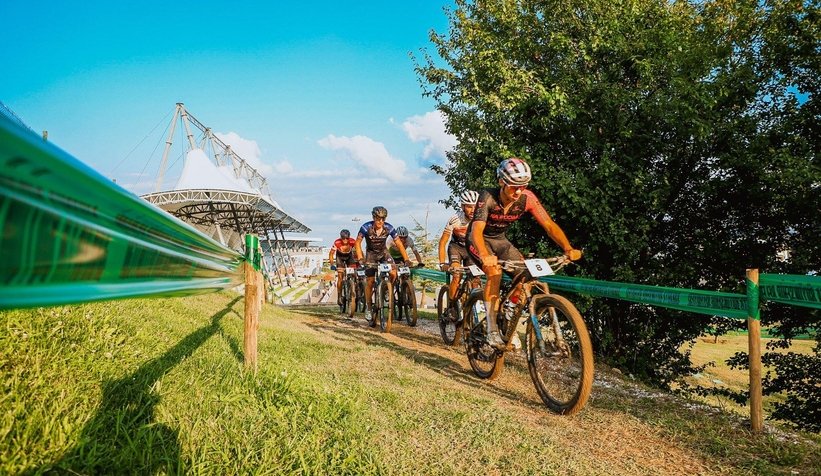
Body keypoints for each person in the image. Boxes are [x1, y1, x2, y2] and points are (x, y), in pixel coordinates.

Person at [467, 157, 583, 349]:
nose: (518, 191)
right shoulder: (487, 197)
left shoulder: (527, 198)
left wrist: (568, 248)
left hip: (501, 241)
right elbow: (476, 231)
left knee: (526, 274)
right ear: (502, 182)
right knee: (494, 273)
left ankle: (509, 313)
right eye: (514, 186)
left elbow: (548, 225)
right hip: (478, 240)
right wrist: (485, 255)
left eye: (523, 186)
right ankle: (491, 329)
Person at [354, 206, 410, 323]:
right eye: (378, 219)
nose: (380, 221)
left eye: (383, 219)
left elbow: (399, 243)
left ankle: (386, 289)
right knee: (369, 281)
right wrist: (360, 258)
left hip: (384, 253)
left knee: (394, 272)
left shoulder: (389, 227)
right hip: (371, 255)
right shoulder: (365, 227)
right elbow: (357, 243)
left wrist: (406, 259)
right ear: (373, 218)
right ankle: (369, 307)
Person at [438, 190, 479, 318]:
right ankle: (451, 307)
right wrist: (442, 262)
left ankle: (472, 308)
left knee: (476, 279)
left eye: (475, 206)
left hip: (471, 250)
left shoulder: (481, 218)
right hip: (456, 248)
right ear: (462, 206)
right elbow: (443, 242)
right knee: (457, 274)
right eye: (469, 206)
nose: (472, 210)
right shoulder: (455, 219)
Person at [328, 229, 358, 306]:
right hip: (340, 258)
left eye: (347, 238)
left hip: (349, 257)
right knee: (340, 277)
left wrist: (359, 260)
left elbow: (357, 251)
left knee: (354, 273)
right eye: (343, 238)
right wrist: (332, 264)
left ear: (349, 238)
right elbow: (331, 254)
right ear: (341, 238)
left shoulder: (352, 241)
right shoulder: (337, 242)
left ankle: (354, 288)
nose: (345, 240)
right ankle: (339, 296)